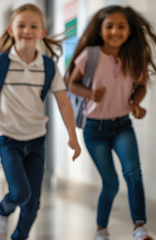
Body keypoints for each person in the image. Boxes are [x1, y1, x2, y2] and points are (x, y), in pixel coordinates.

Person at [0, 4, 81, 240]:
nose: (27, 30)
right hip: (7, 138)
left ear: (42, 32)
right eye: (21, 25)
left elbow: (63, 102)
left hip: (37, 139)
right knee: (19, 193)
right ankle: (2, 210)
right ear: (10, 30)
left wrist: (72, 136)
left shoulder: (48, 66)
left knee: (33, 204)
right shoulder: (0, 63)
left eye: (33, 26)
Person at [66, 6, 156, 240]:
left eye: (121, 26)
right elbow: (71, 83)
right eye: (109, 26)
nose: (115, 31)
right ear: (101, 29)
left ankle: (139, 228)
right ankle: (101, 229)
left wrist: (135, 103)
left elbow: (142, 85)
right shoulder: (91, 55)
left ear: (129, 30)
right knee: (111, 184)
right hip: (94, 129)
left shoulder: (132, 56)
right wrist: (89, 94)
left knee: (133, 173)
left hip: (122, 125)